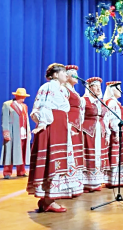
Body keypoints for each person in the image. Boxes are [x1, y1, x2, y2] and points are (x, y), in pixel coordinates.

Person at [27, 63, 81, 212]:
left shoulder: (62, 89)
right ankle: (49, 200)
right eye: (63, 72)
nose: (66, 75)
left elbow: (63, 110)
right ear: (56, 74)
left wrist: (68, 126)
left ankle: (47, 199)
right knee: (53, 161)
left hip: (61, 126)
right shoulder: (48, 87)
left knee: (60, 160)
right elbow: (43, 106)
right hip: (52, 126)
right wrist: (43, 122)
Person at [82, 77, 110, 192]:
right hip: (88, 132)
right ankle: (86, 183)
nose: (98, 88)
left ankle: (96, 181)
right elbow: (80, 116)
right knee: (90, 154)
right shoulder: (84, 100)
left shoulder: (101, 102)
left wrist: (107, 133)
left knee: (99, 155)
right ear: (89, 88)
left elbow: (106, 119)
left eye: (99, 86)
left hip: (100, 131)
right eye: (95, 86)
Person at [103, 81, 123, 187]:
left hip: (122, 131)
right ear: (112, 90)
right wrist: (115, 132)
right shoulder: (112, 103)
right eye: (117, 88)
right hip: (117, 132)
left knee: (121, 156)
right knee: (116, 156)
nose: (120, 91)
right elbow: (111, 118)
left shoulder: (117, 103)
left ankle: (120, 179)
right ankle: (114, 180)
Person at [62, 65, 85, 193]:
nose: (76, 76)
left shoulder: (73, 90)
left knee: (76, 153)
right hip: (70, 124)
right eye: (73, 74)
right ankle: (67, 185)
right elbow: (63, 108)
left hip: (77, 125)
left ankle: (75, 184)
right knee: (69, 153)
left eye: (77, 73)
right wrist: (67, 124)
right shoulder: (65, 90)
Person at [1, 88, 31, 179]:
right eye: (21, 97)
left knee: (22, 151)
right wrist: (6, 131)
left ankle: (21, 171)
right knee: (9, 151)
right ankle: (7, 172)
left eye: (24, 97)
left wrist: (28, 131)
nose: (23, 98)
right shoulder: (8, 105)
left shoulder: (24, 106)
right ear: (16, 96)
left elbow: (27, 119)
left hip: (22, 131)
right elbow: (5, 119)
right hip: (13, 131)